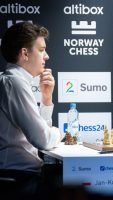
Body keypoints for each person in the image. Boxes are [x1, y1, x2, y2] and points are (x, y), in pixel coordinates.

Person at [0, 22, 63, 195]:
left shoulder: (12, 80)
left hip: (17, 177)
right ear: (25, 53)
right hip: (17, 181)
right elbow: (43, 139)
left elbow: (41, 133)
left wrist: (46, 98)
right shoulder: (15, 83)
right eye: (41, 50)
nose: (47, 56)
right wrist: (60, 132)